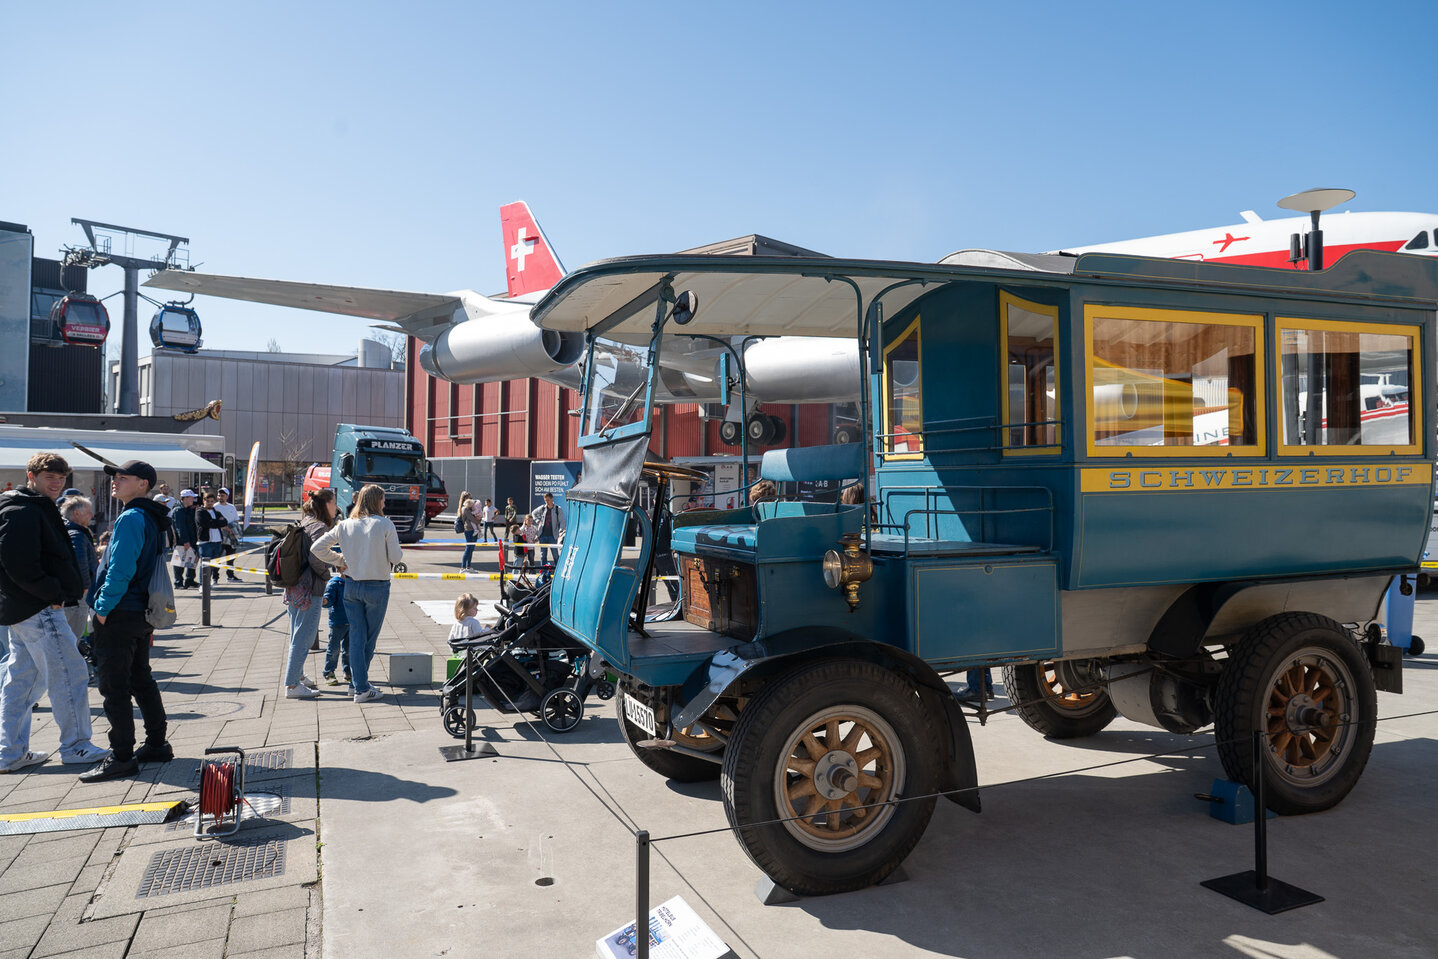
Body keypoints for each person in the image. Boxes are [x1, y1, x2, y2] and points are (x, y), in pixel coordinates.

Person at [0, 453, 110, 774]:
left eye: (61, 478)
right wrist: (53, 594)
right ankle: (75, 745)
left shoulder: (28, 505)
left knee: (22, 680)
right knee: (68, 673)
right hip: (39, 607)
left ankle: (10, 752)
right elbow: (18, 563)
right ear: (31, 475)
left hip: (25, 608)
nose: (57, 483)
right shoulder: (22, 508)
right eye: (50, 477)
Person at [79, 460, 174, 783]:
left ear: (143, 483)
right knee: (140, 678)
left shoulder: (132, 516)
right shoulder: (149, 515)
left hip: (119, 612)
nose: (115, 482)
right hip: (138, 612)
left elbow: (121, 568)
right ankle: (157, 744)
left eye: (123, 477)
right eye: (115, 477)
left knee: (114, 686)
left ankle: (121, 756)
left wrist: (102, 608)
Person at [311, 484, 403, 704]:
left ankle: (357, 684)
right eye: (383, 499)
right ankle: (360, 686)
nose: (385, 503)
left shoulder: (345, 525)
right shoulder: (385, 524)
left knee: (356, 638)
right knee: (368, 641)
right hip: (377, 587)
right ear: (376, 501)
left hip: (351, 586)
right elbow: (397, 558)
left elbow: (317, 548)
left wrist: (340, 561)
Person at [280, 489, 338, 700]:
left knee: (297, 634)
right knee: (303, 637)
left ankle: (298, 675)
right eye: (333, 503)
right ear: (325, 505)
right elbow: (316, 556)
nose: (336, 507)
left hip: (294, 586)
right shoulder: (320, 526)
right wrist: (326, 575)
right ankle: (293, 685)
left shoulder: (305, 522)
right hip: (309, 588)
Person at [60, 495, 98, 648]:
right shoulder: (76, 533)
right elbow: (79, 560)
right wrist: (86, 587)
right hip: (77, 596)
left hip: (72, 595)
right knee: (72, 640)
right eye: (89, 512)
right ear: (76, 513)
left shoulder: (68, 529)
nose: (92, 515)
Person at [321, 572, 350, 686]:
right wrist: (326, 601)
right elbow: (328, 599)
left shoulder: (354, 581)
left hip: (352, 621)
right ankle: (329, 672)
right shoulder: (334, 584)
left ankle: (347, 671)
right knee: (333, 649)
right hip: (338, 622)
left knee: (349, 650)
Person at [168, 490, 199, 590]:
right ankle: (178, 582)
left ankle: (190, 580)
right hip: (182, 541)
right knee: (179, 562)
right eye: (191, 498)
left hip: (192, 539)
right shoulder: (178, 511)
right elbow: (180, 527)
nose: (193, 500)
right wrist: (185, 541)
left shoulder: (188, 509)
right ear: (184, 498)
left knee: (192, 560)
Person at [195, 492, 228, 585]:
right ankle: (203, 585)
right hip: (205, 542)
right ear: (203, 501)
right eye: (208, 501)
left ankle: (208, 583)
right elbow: (205, 523)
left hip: (217, 542)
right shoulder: (199, 511)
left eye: (212, 501)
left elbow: (224, 522)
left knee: (213, 565)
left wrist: (215, 522)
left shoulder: (216, 512)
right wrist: (217, 523)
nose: (210, 503)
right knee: (205, 565)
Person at [529, 492, 565, 566]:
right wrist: (537, 520)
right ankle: (543, 572)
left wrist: (560, 532)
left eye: (548, 500)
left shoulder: (558, 509)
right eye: (545, 500)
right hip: (542, 536)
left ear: (552, 499)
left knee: (555, 555)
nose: (547, 502)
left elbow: (562, 522)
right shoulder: (543, 508)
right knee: (543, 555)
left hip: (553, 536)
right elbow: (533, 513)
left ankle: (557, 570)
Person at [213, 488, 241, 582]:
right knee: (218, 557)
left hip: (231, 535)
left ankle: (230, 575)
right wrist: (224, 528)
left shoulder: (231, 507)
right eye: (219, 495)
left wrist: (233, 529)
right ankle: (215, 577)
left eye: (223, 495)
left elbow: (236, 519)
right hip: (220, 536)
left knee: (231, 556)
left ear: (227, 496)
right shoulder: (215, 507)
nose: (220, 497)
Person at [456, 492, 478, 571]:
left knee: (471, 548)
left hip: (473, 529)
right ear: (465, 499)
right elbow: (472, 519)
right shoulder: (465, 509)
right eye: (470, 498)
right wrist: (478, 520)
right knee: (468, 548)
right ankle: (462, 567)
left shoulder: (470, 508)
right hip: (469, 530)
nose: (471, 500)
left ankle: (468, 566)